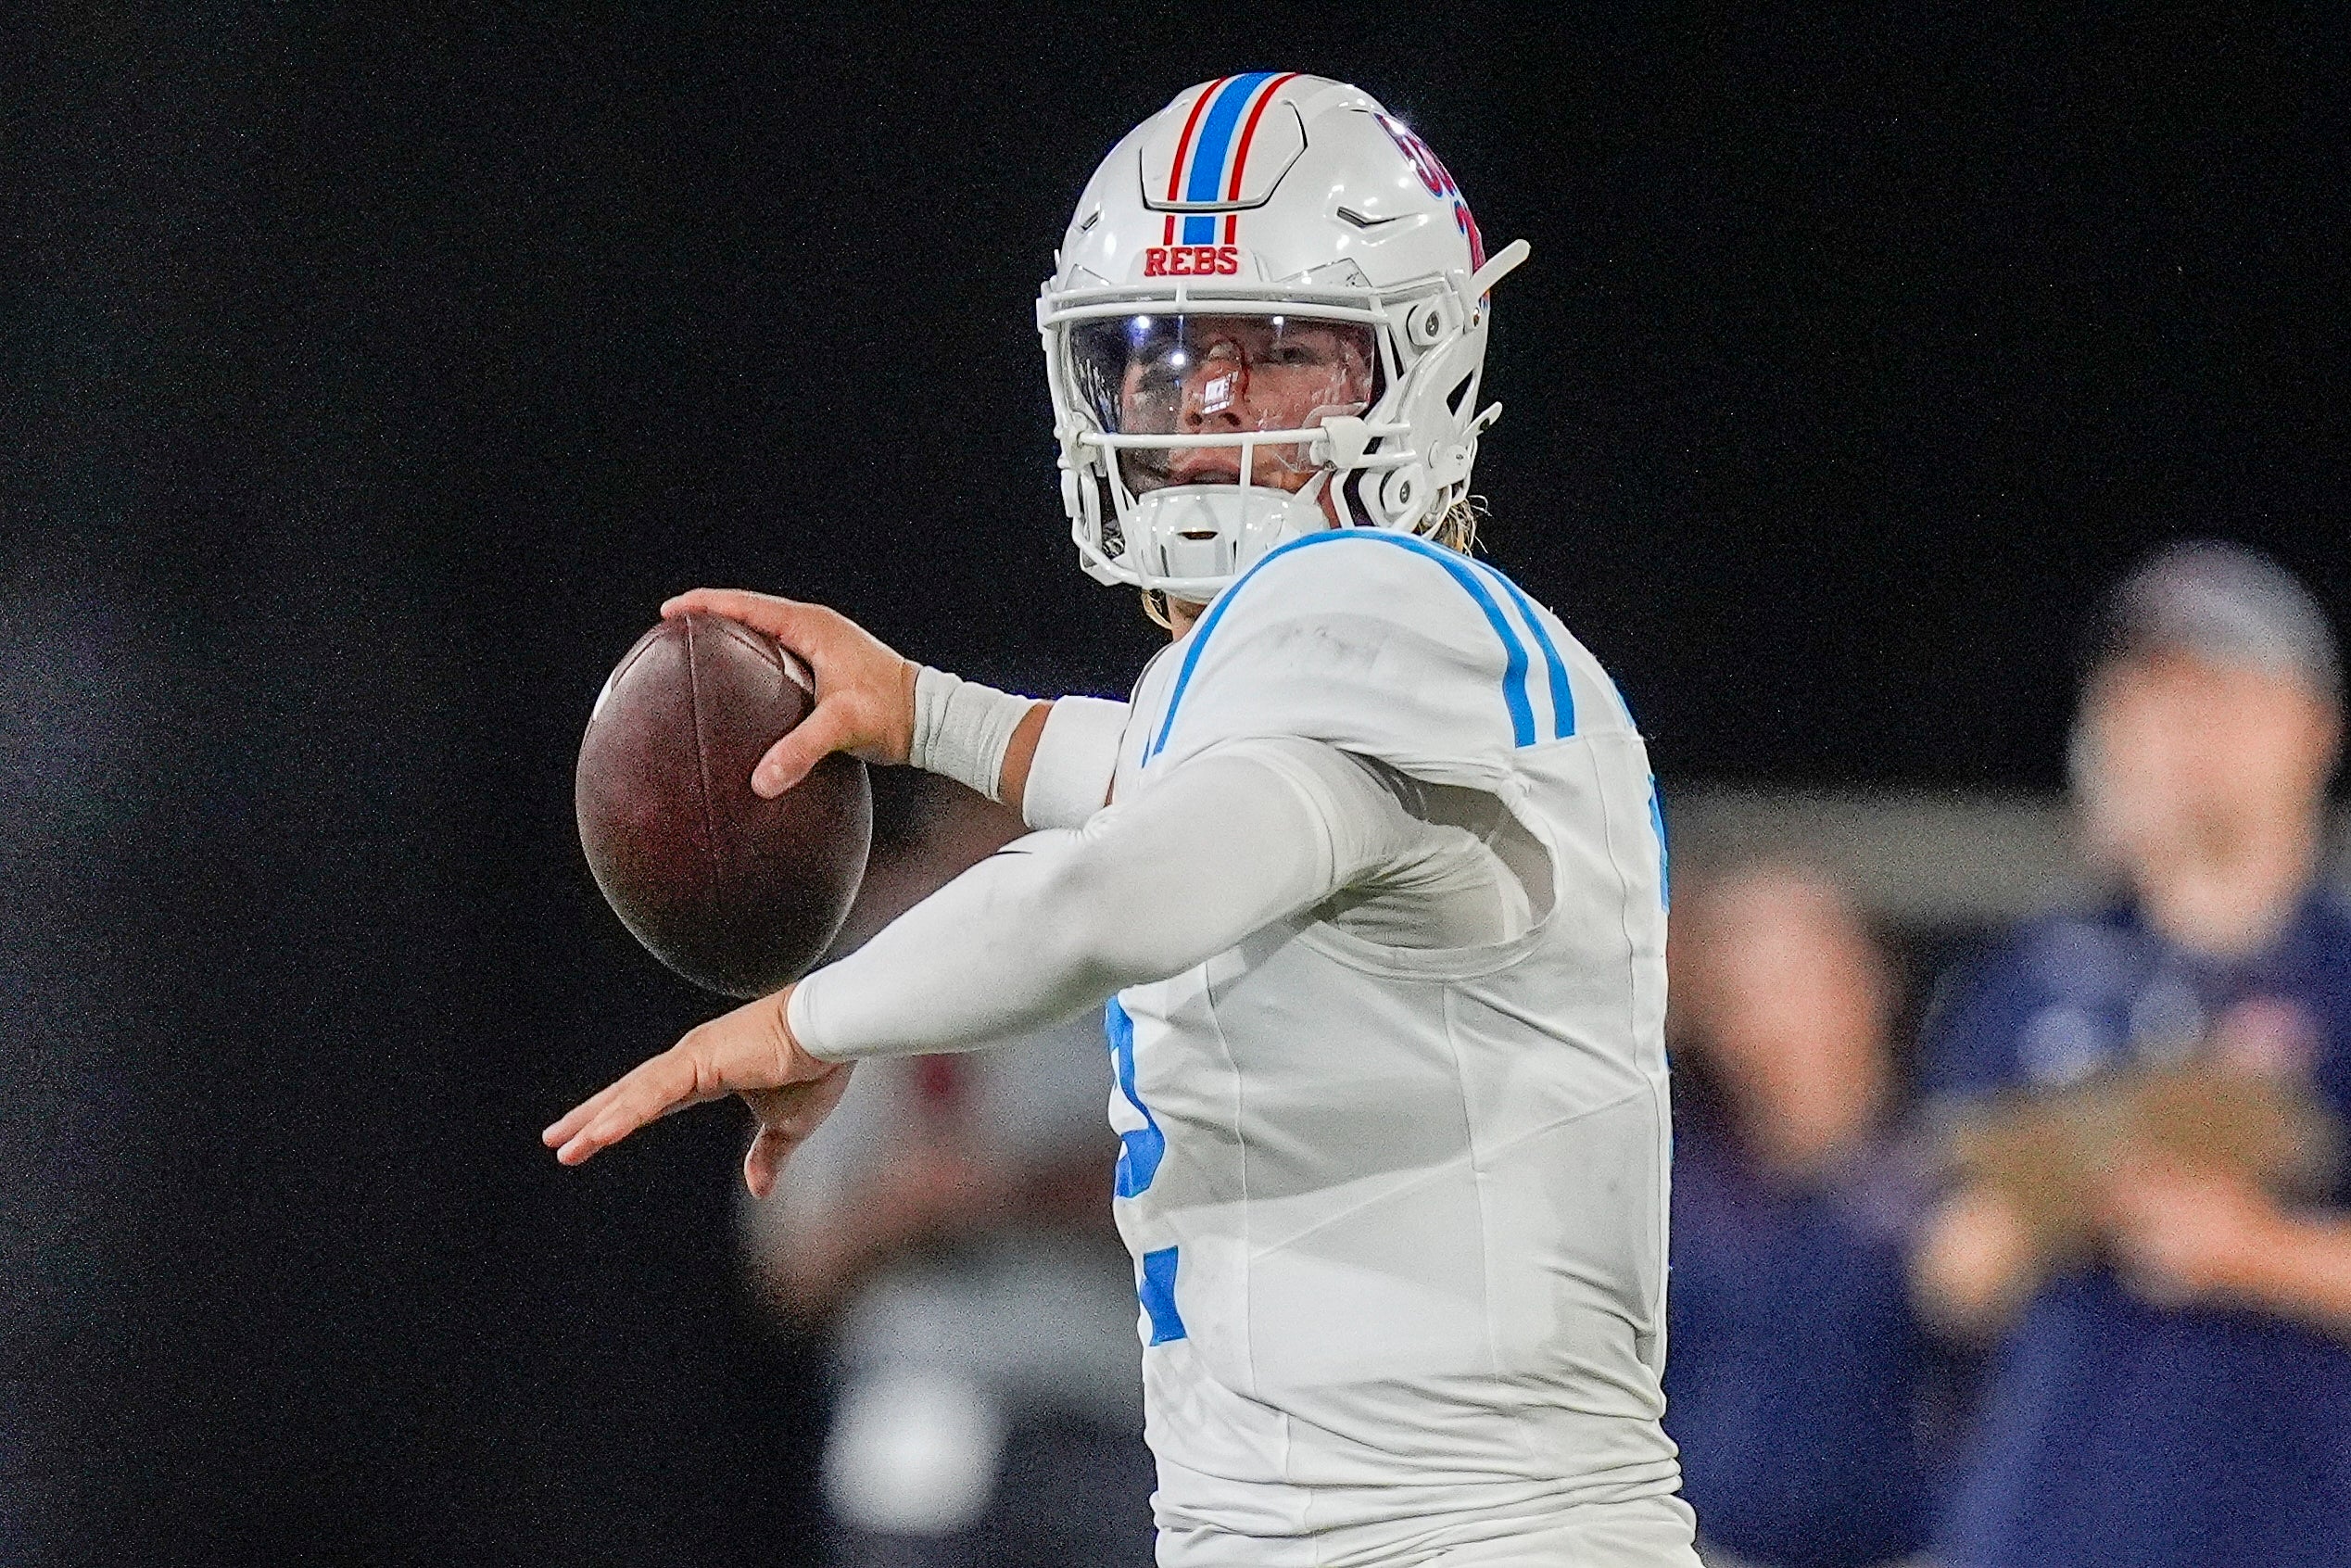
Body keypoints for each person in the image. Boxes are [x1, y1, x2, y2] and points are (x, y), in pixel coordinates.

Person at [548, 75, 1699, 1567]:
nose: (1208, 401)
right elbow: (1186, 793)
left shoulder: (1368, 601)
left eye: (1278, 349)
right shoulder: (1353, 677)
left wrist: (806, 1022)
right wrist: (928, 715)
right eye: (1160, 353)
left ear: (1414, 362)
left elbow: (1112, 892)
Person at [1912, 541, 2351, 1568]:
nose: (2175, 729)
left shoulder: (2338, 977)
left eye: (2216, 694)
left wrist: (2258, 1252)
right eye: (2145, 695)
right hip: (2045, 1530)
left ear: (2311, 727)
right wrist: (2067, 1186)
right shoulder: (2030, 975)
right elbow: (1945, 1278)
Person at [1662, 865, 1935, 1568]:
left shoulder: (1951, 1166)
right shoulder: (1666, 1179)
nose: (1776, 1014)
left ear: (1873, 979)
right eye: (1743, 987)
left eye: (1802, 974)